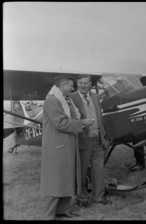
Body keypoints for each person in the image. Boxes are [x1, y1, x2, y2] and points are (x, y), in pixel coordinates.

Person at [40, 74, 94, 220]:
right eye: (71, 85)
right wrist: (82, 123)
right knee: (56, 180)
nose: (73, 88)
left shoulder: (65, 99)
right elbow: (61, 123)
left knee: (67, 178)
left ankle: (62, 210)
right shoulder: (52, 100)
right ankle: (49, 214)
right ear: (62, 86)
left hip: (67, 145)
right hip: (57, 146)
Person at [70, 74, 111, 206]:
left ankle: (98, 196)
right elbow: (69, 120)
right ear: (77, 83)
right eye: (80, 82)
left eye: (86, 83)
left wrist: (103, 135)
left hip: (97, 138)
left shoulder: (94, 96)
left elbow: (99, 117)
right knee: (81, 171)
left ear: (90, 85)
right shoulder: (71, 97)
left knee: (98, 169)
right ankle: (81, 198)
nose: (83, 85)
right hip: (83, 140)